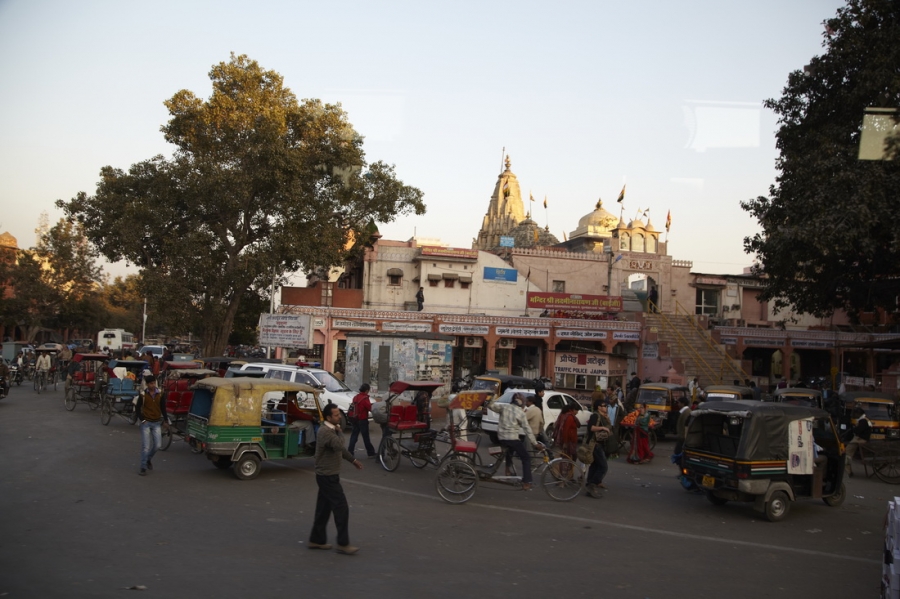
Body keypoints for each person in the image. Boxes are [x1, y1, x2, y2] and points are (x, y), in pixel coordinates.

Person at [309, 403, 363, 554]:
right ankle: (343, 543)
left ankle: (316, 540)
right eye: (336, 415)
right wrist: (340, 431)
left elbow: (341, 451)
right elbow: (339, 444)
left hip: (327, 475)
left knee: (323, 509)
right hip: (327, 476)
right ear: (328, 417)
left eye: (339, 414)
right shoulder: (326, 432)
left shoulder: (331, 430)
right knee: (341, 508)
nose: (339, 417)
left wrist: (353, 461)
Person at [489, 392, 542, 491]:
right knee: (525, 458)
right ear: (522, 403)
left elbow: (491, 406)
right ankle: (527, 482)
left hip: (501, 437)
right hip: (512, 438)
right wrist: (535, 443)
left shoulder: (504, 407)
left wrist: (493, 395)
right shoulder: (521, 413)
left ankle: (508, 469)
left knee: (510, 450)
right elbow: (527, 429)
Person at [135, 375, 167, 476]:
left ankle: (148, 459)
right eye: (150, 383)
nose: (152, 385)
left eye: (153, 383)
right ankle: (143, 467)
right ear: (147, 384)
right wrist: (142, 419)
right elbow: (137, 408)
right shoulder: (143, 395)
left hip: (156, 422)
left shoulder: (161, 394)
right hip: (146, 423)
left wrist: (166, 420)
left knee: (158, 445)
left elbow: (163, 408)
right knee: (146, 446)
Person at [586, 400, 612, 498]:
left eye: (606, 406)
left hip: (600, 444)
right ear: (599, 407)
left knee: (595, 465)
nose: (605, 407)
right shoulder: (595, 415)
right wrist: (603, 428)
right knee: (603, 466)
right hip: (595, 444)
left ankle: (589, 486)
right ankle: (592, 484)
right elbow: (591, 428)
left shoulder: (603, 416)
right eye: (603, 405)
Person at [347, 383, 376, 458]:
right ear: (366, 390)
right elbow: (370, 408)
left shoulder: (355, 397)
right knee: (366, 437)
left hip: (354, 419)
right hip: (362, 420)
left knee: (354, 435)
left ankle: (350, 452)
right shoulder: (365, 398)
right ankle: (370, 453)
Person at [845, 407, 871, 477]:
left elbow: (858, 431)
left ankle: (848, 470)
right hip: (863, 438)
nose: (854, 415)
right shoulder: (866, 419)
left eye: (855, 413)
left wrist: (854, 429)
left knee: (847, 452)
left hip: (860, 439)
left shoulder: (863, 421)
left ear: (858, 413)